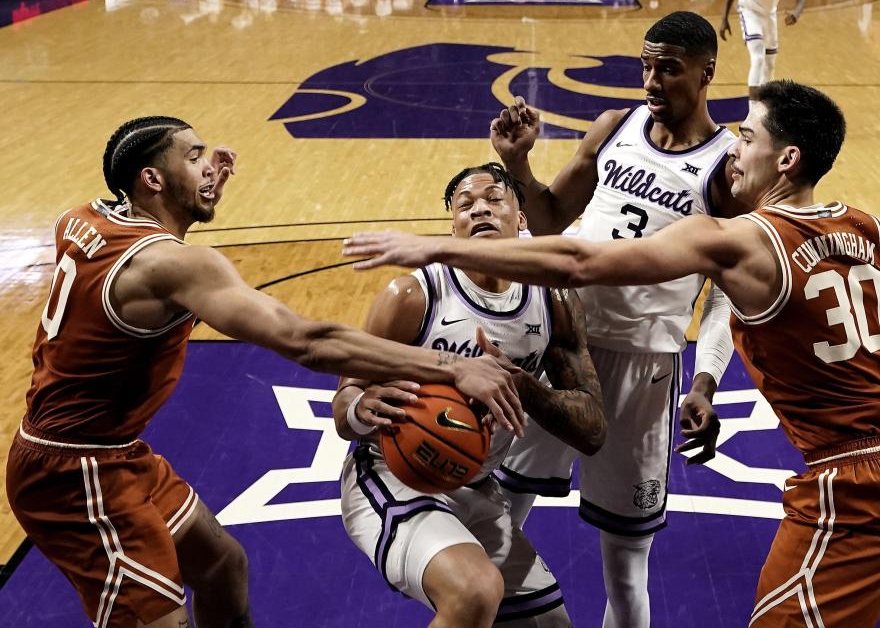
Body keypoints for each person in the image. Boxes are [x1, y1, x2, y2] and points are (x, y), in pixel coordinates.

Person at [343, 80, 880, 627]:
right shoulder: (864, 225)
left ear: (786, 158)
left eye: (749, 137)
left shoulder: (737, 237)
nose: (735, 149)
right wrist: (828, 359)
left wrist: (434, 247)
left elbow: (579, 261)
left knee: (644, 564)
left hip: (848, 477)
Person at [6, 117, 522, 628]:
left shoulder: (82, 219)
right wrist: (453, 365)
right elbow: (309, 342)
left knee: (222, 565)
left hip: (112, 451)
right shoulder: (172, 265)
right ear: (152, 180)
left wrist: (190, 198)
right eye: (193, 157)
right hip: (75, 474)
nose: (210, 166)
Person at [484, 10, 741, 627]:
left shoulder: (729, 168)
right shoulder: (613, 126)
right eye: (645, 66)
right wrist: (518, 166)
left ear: (708, 72)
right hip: (559, 350)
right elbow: (546, 221)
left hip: (643, 368)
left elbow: (726, 293)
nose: (651, 81)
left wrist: (705, 380)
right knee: (496, 519)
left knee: (625, 566)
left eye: (668, 69)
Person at [335, 162, 607, 627]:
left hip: (476, 484)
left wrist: (522, 384)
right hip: (394, 475)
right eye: (465, 205)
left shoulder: (551, 300)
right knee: (475, 592)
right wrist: (362, 408)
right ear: (453, 228)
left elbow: (592, 430)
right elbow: (345, 405)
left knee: (550, 625)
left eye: (494, 199)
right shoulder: (413, 295)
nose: (480, 209)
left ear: (521, 219)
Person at [719, 0, 806, 107]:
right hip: (749, 11)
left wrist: (796, 13)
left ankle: (765, 106)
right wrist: (724, 18)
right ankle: (752, 109)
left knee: (770, 64)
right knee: (758, 57)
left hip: (770, 15)